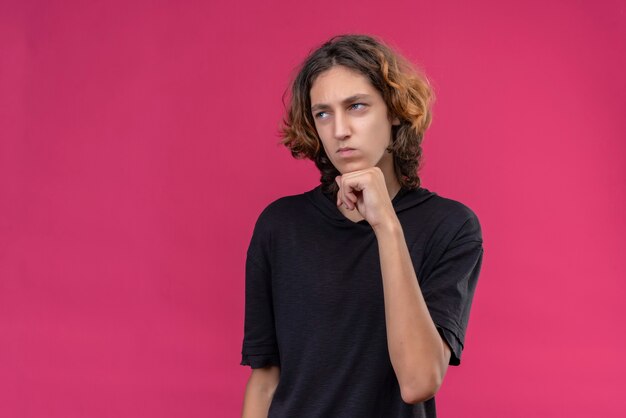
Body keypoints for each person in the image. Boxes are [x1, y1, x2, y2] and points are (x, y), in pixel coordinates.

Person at [240, 33, 484, 418]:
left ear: (395, 111)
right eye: (323, 113)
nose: (339, 130)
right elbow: (266, 379)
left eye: (356, 106)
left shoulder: (450, 227)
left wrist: (386, 224)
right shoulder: (280, 225)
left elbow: (418, 381)